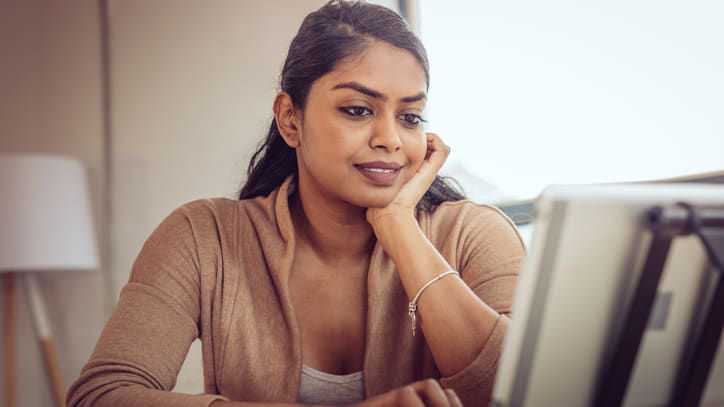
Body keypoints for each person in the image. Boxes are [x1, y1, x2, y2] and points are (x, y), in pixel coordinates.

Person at [66, 1, 525, 406]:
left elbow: (525, 393)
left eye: (409, 117)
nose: (390, 140)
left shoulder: (474, 234)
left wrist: (400, 227)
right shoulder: (204, 238)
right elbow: (102, 395)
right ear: (290, 119)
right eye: (358, 110)